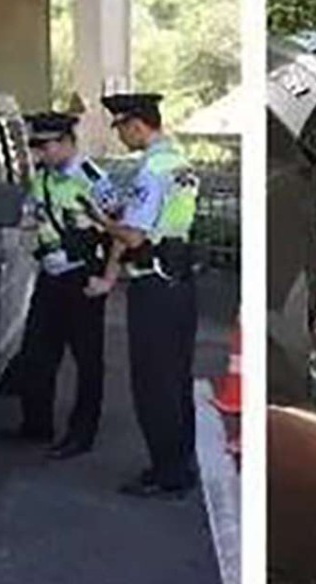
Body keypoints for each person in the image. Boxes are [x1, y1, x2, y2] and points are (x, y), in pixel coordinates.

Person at [85, 92, 199, 499]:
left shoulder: (152, 170)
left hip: (154, 283)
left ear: (137, 125)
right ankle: (182, 462)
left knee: (153, 383)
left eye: (122, 128)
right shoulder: (179, 159)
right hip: (181, 279)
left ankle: (167, 472)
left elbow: (133, 234)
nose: (121, 138)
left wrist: (102, 221)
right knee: (177, 379)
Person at [14, 112, 118, 460]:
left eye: (44, 146)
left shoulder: (91, 179)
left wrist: (106, 276)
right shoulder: (42, 178)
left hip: (82, 276)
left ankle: (81, 433)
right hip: (50, 275)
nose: (39, 153)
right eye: (37, 147)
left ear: (65, 142)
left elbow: (120, 230)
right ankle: (36, 424)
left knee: (87, 360)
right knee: (37, 352)